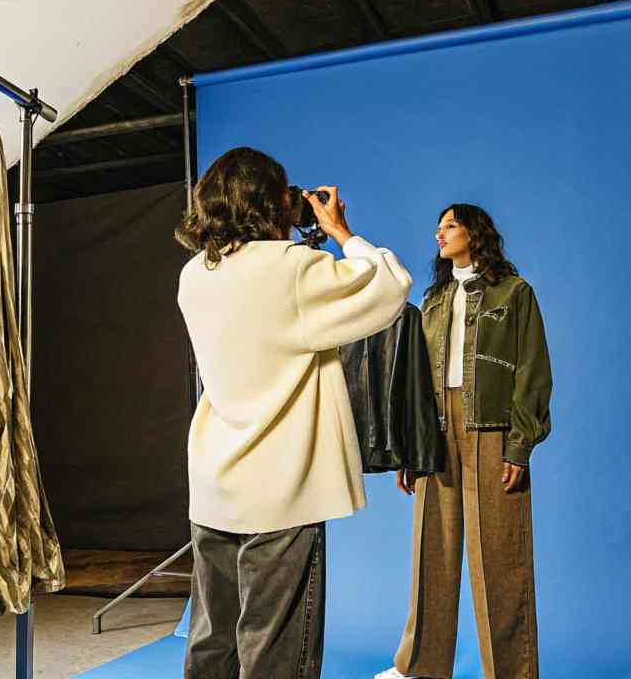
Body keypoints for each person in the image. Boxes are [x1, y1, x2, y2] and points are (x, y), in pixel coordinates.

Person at [175, 146, 412, 679]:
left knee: (213, 640)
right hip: (279, 490)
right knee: (276, 649)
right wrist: (340, 231)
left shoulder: (194, 276)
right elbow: (389, 286)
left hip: (214, 484)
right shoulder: (294, 270)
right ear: (271, 203)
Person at [376, 204, 552, 679]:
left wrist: (520, 445)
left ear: (476, 232)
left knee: (499, 553)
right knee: (431, 548)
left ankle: (512, 672)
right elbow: (414, 376)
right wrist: (410, 446)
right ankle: (419, 666)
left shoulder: (514, 293)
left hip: (492, 427)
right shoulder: (433, 300)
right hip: (435, 429)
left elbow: (533, 371)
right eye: (438, 226)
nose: (440, 232)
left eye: (451, 224)